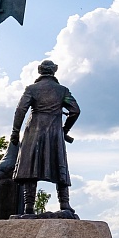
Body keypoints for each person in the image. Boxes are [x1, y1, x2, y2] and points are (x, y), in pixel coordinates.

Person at [11, 59, 79, 215]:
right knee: (59, 164)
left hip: (34, 132)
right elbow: (75, 110)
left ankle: (29, 206)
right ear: (54, 70)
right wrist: (64, 130)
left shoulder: (32, 89)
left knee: (31, 167)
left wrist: (15, 131)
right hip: (55, 134)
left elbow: (20, 110)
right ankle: (65, 204)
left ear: (39, 70)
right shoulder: (62, 91)